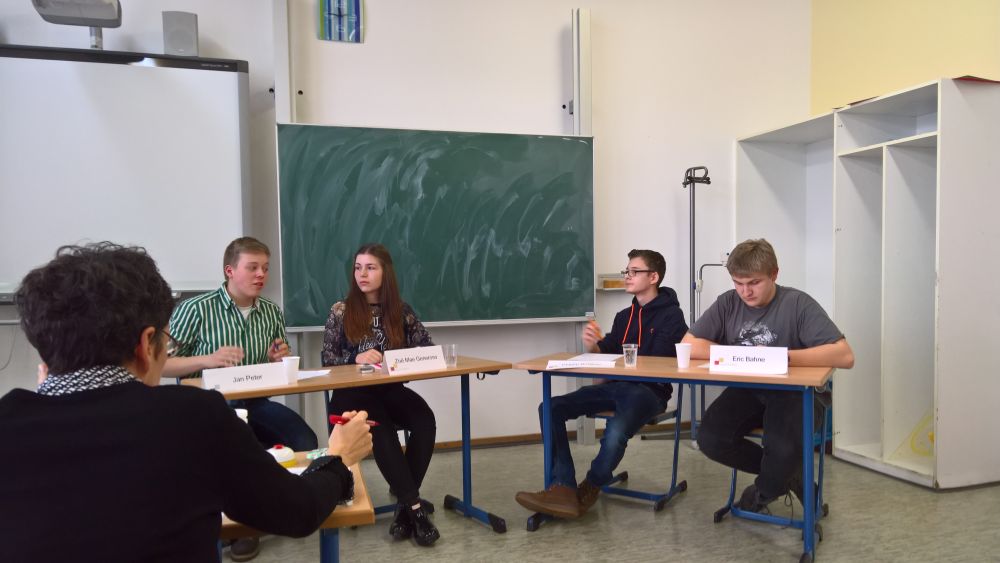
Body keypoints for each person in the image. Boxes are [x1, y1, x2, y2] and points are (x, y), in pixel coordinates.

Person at [0, 242, 373, 563]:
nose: (261, 274)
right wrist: (338, 458)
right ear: (146, 346)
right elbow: (298, 511)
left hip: (256, 401)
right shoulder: (191, 416)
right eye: (166, 341)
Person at [162, 236, 318, 561]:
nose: (261, 275)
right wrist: (207, 359)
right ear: (230, 271)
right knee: (242, 447)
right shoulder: (196, 309)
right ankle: (245, 525)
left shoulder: (271, 312)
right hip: (209, 407)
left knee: (305, 439)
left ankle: (285, 507)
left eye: (265, 268)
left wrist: (278, 357)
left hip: (256, 402)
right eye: (253, 267)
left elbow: (281, 357)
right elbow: (161, 364)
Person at [682, 239, 854, 512]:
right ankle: (790, 477)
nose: (745, 291)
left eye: (754, 282)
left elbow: (844, 356)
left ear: (774, 274)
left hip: (797, 394)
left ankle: (762, 492)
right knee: (710, 438)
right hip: (749, 390)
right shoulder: (728, 302)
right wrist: (740, 354)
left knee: (783, 449)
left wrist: (782, 357)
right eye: (738, 283)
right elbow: (689, 344)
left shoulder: (798, 303)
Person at [515, 249, 688, 519]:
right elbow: (606, 351)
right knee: (550, 407)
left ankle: (592, 485)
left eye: (634, 271)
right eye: (626, 271)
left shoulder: (672, 316)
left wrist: (616, 360)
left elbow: (659, 361)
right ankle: (563, 487)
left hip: (649, 391)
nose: (627, 276)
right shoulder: (623, 316)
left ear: (653, 277)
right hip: (616, 387)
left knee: (616, 429)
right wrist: (594, 345)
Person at [321, 243, 440, 547]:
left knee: (424, 419)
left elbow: (428, 348)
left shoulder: (401, 311)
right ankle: (415, 508)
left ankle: (403, 506)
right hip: (352, 396)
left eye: (370, 267)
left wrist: (400, 358)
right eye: (358, 267)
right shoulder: (341, 311)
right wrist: (355, 359)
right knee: (382, 429)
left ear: (385, 273)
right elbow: (327, 360)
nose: (362, 273)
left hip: (389, 391)